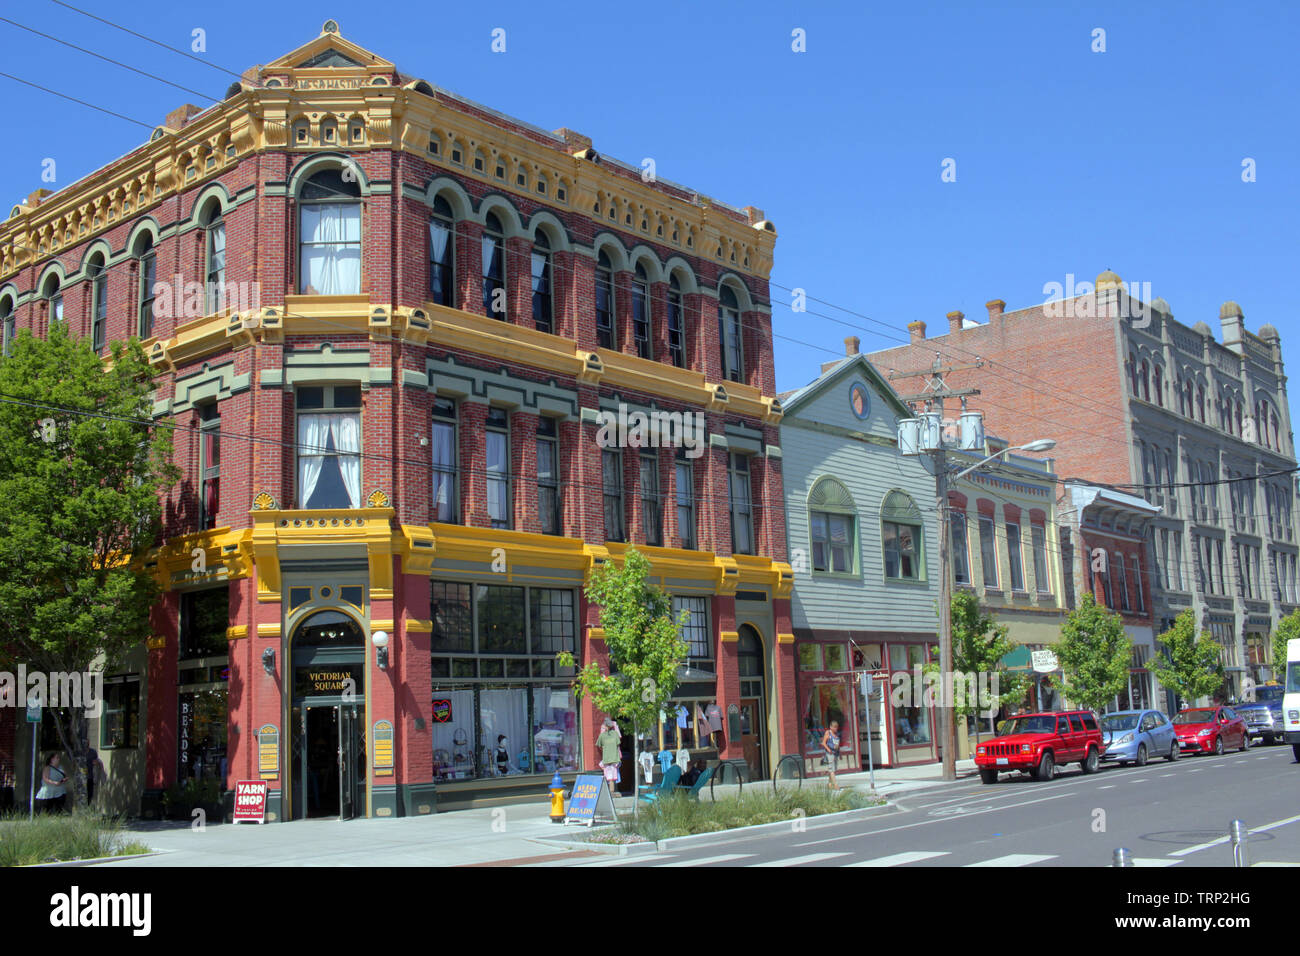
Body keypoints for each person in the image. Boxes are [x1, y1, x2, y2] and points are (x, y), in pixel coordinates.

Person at [596, 718, 622, 792]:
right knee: (612, 776)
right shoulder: (614, 734)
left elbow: (598, 745)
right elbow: (618, 743)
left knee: (609, 776)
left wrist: (604, 749)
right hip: (613, 759)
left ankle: (611, 792)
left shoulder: (603, 735)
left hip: (608, 759)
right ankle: (611, 791)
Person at [821, 721, 842, 791]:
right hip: (830, 753)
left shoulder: (836, 734)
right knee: (831, 769)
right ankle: (835, 785)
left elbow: (838, 745)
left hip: (835, 753)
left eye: (837, 727)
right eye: (835, 727)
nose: (836, 728)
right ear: (831, 727)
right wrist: (828, 749)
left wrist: (840, 754)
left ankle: (829, 784)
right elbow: (823, 743)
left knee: (833, 769)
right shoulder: (828, 733)